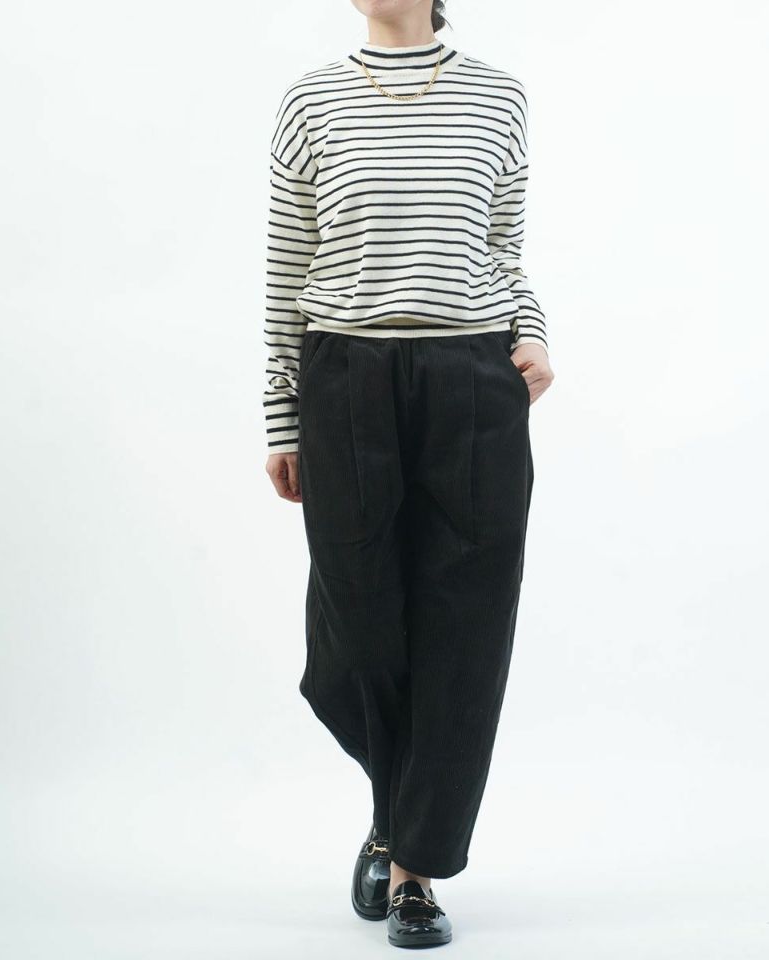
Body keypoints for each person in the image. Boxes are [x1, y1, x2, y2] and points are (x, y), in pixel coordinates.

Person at [263, 0, 554, 948]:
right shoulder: (312, 100)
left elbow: (503, 248)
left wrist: (532, 332)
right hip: (345, 375)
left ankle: (414, 869)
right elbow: (287, 267)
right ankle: (395, 812)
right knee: (354, 627)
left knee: (465, 622)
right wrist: (280, 414)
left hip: (471, 374)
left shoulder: (498, 97)